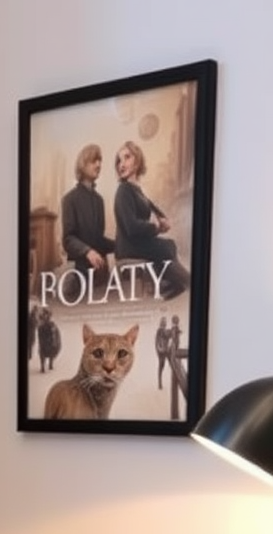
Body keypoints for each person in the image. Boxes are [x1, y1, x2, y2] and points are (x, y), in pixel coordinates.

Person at [113, 139, 190, 300]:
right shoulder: (124, 190)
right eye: (119, 160)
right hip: (128, 245)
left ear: (137, 160)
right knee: (166, 248)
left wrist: (163, 220)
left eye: (127, 157)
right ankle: (185, 283)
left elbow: (153, 208)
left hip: (137, 242)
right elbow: (131, 227)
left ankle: (173, 284)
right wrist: (155, 227)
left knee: (169, 245)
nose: (122, 163)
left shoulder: (137, 190)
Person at [60, 143, 114, 285]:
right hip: (79, 272)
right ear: (83, 164)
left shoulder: (99, 200)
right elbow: (68, 239)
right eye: (93, 161)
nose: (98, 165)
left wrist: (122, 244)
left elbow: (98, 240)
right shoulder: (69, 199)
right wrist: (87, 251)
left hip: (102, 272)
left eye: (99, 161)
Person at [36, 306, 61, 372]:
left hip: (47, 337)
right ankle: (45, 366)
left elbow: (55, 333)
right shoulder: (45, 323)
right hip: (45, 336)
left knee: (47, 350)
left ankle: (48, 365)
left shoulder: (50, 324)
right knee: (45, 350)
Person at [155, 315, 171, 389]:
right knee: (162, 366)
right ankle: (160, 383)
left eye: (165, 321)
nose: (165, 323)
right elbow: (157, 341)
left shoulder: (164, 330)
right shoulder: (160, 330)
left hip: (164, 350)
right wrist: (159, 349)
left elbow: (168, 336)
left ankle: (160, 383)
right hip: (162, 351)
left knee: (162, 366)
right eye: (163, 321)